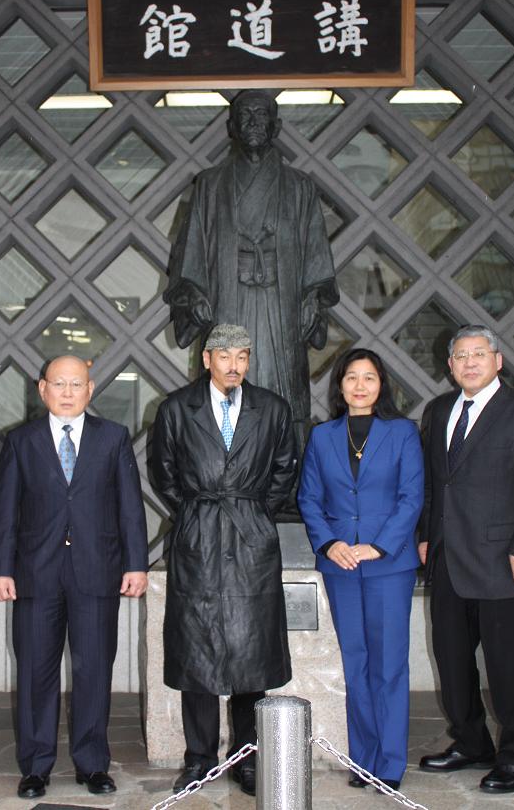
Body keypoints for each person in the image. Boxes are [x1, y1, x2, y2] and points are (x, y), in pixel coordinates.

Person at [0, 356, 148, 800]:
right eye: (58, 383)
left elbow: (130, 509)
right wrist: (0, 568)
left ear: (90, 389)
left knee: (94, 670)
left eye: (75, 383)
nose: (66, 391)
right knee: (36, 672)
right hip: (35, 576)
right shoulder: (20, 441)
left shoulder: (113, 438)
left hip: (98, 573)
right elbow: (5, 513)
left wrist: (137, 564)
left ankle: (93, 764)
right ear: (42, 389)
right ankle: (36, 766)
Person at [150, 323, 296, 797]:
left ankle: (248, 758)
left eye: (243, 356)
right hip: (198, 534)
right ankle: (198, 758)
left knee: (251, 654)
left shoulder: (272, 409)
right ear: (206, 358)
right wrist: (197, 511)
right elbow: (163, 473)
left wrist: (250, 512)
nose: (234, 365)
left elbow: (282, 471)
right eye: (225, 356)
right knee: (197, 654)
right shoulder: (176, 408)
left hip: (252, 535)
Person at [418, 325, 514, 794]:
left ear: (498, 360)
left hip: (507, 563)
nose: (470, 362)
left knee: (513, 667)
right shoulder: (439, 411)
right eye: (461, 356)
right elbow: (432, 483)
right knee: (453, 662)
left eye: (479, 354)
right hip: (448, 562)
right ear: (450, 366)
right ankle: (471, 742)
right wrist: (426, 536)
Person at [164, 89, 339, 456]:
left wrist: (313, 297)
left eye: (262, 116)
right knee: (227, 381)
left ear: (276, 126)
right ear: (231, 126)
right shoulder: (210, 185)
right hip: (229, 298)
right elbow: (192, 246)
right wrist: (194, 292)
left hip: (282, 302)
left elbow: (316, 253)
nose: (254, 123)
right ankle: (225, 472)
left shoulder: (299, 186)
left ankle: (286, 478)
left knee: (284, 384)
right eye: (245, 116)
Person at [297, 348, 423, 791]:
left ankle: (390, 762)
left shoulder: (403, 432)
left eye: (369, 377)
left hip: (389, 564)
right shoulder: (322, 436)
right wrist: (330, 544)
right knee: (357, 663)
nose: (360, 385)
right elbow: (309, 499)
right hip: (341, 565)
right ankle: (364, 758)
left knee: (389, 664)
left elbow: (412, 496)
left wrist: (379, 546)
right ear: (340, 385)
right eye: (351, 377)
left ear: (381, 384)